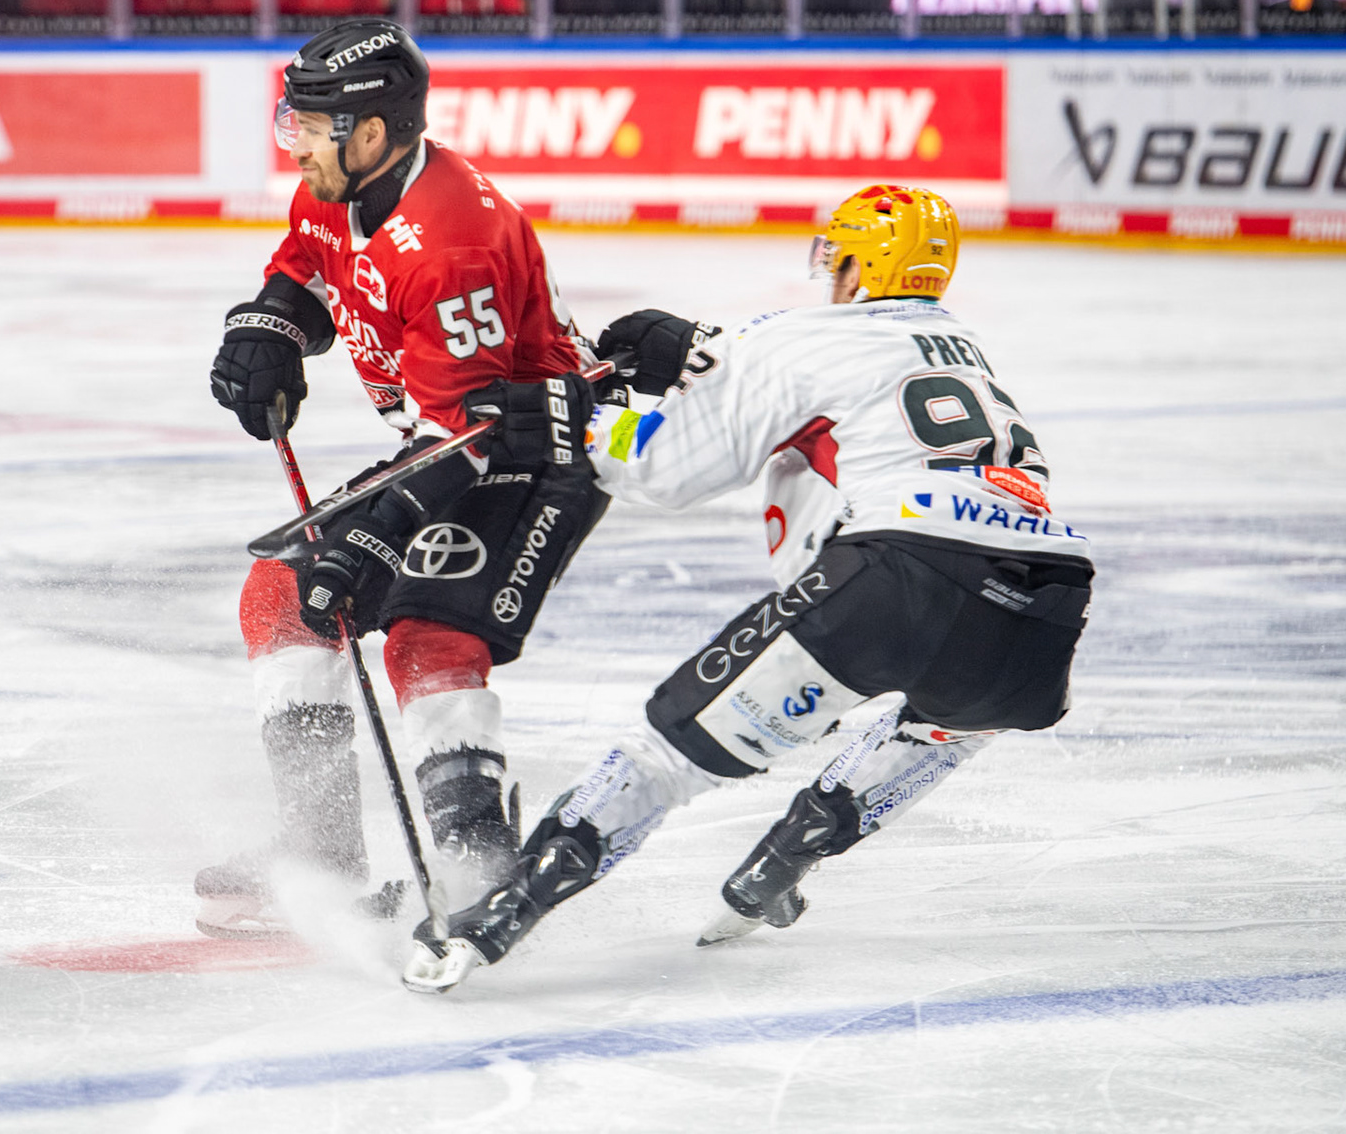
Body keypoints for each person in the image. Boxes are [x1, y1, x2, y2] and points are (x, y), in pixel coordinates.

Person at [402, 185, 1096, 991]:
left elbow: (664, 468)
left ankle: (496, 916)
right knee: (954, 722)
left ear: (858, 266)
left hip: (897, 578)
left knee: (666, 757)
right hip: (1051, 609)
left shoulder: (801, 336)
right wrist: (705, 355)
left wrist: (578, 420)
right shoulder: (965, 351)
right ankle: (786, 858)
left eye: (837, 260)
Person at [199, 19, 603, 938]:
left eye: (310, 127)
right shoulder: (335, 189)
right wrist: (271, 327)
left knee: (427, 631)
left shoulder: (453, 239)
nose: (294, 144)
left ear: (372, 132)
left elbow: (475, 436)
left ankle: (477, 863)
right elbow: (308, 271)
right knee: (282, 597)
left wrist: (374, 537)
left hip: (534, 453)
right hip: (446, 440)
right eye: (293, 122)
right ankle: (320, 850)